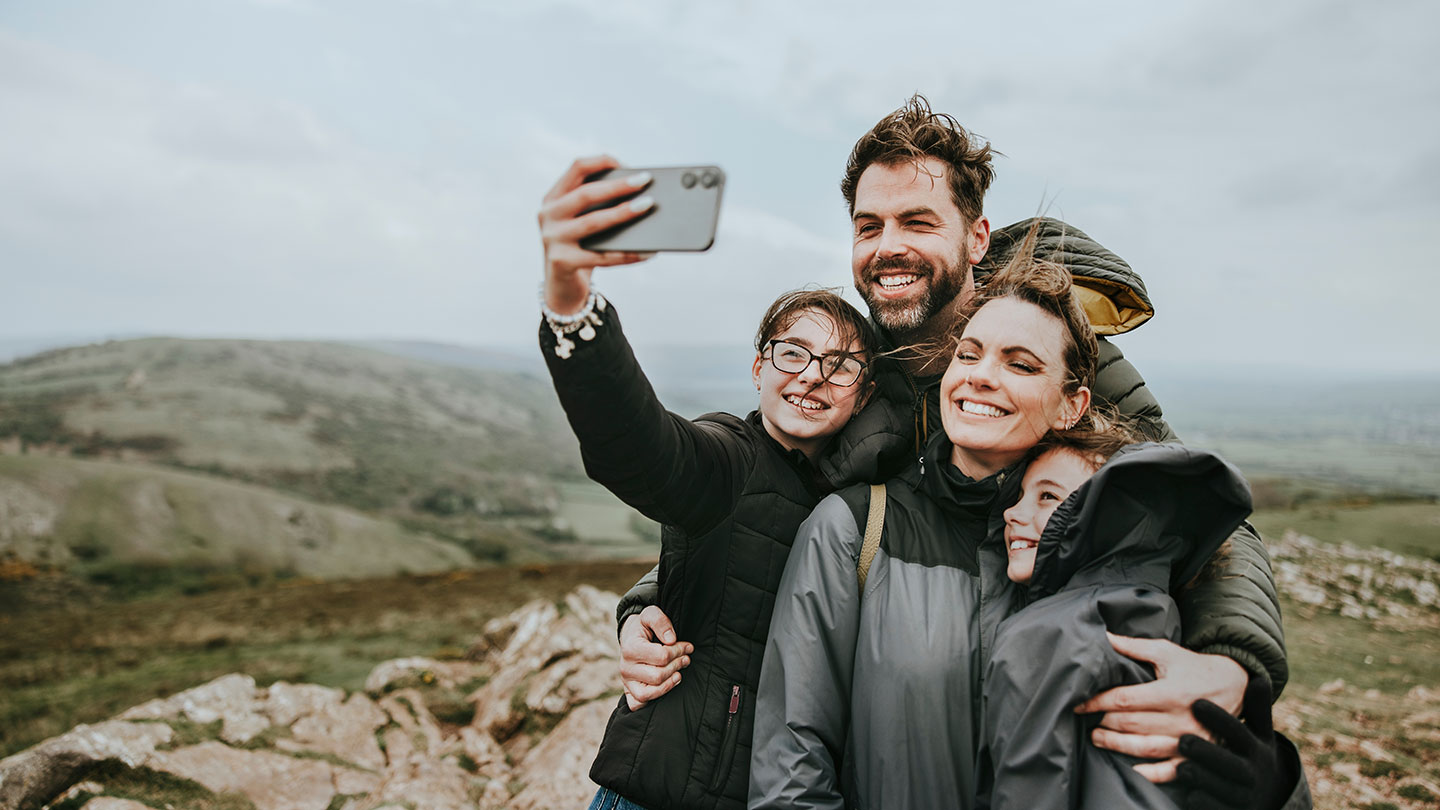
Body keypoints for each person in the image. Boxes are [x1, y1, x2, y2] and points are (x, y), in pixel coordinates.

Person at [614, 96, 1287, 779]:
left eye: (918, 222)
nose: (888, 247)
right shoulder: (858, 370)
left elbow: (1203, 521)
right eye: (868, 225)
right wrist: (647, 604)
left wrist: (1232, 665)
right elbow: (762, 491)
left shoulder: (1057, 349)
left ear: (976, 238)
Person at [748, 253, 1306, 810]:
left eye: (1020, 364)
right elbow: (792, 770)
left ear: (1072, 404)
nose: (981, 376)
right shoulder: (853, 529)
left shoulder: (1117, 553)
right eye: (969, 354)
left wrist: (1272, 786)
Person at [537, 156, 887, 810]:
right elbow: (639, 446)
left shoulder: (854, 500)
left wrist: (639, 604)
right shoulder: (728, 457)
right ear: (759, 367)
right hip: (658, 796)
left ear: (863, 393)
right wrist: (571, 303)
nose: (812, 375)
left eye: (840, 366)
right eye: (793, 353)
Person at [979, 429, 1312, 809]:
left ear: (1110, 518)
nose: (1011, 512)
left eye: (1048, 496)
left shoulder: (1049, 634)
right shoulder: (1160, 612)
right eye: (1020, 495)